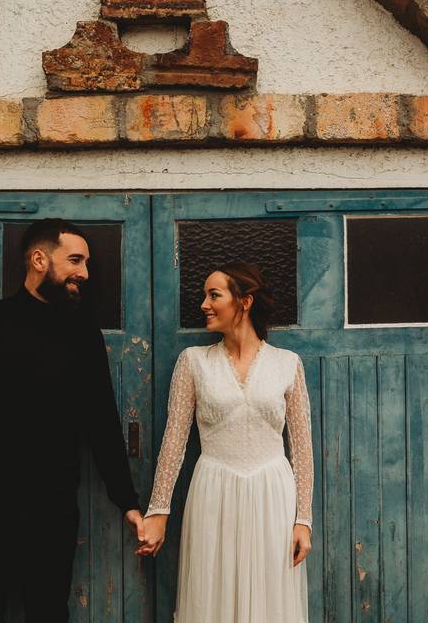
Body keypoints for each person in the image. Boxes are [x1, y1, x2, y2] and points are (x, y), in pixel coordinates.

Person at [0, 218, 144, 622]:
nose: (85, 273)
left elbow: (102, 425)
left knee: (48, 612)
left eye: (87, 263)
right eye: (75, 260)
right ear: (40, 259)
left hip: (52, 510)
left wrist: (127, 501)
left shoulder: (83, 334)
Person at [138, 260, 313, 622]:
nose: (203, 304)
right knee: (210, 597)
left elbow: (302, 447)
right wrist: (158, 511)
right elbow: (174, 441)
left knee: (270, 602)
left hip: (273, 496)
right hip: (213, 492)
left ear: (244, 301)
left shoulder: (287, 363)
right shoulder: (193, 362)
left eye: (213, 295)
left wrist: (303, 520)